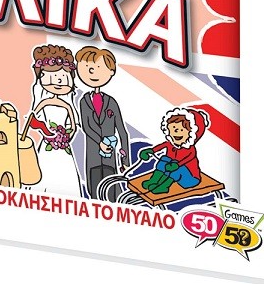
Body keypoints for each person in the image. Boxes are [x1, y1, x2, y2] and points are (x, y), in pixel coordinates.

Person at [27, 45, 81, 196]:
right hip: (47, 144)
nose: (58, 82)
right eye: (51, 77)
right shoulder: (44, 102)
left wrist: (67, 136)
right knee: (44, 168)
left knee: (65, 171)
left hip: (63, 146)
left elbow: (73, 125)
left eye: (64, 77)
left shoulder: (67, 105)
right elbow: (32, 119)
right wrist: (45, 132)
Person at [76, 47, 129, 198]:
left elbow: (122, 130)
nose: (92, 72)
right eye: (87, 68)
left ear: (111, 72)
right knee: (94, 189)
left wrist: (125, 159)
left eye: (99, 67)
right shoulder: (84, 101)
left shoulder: (111, 102)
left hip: (110, 157)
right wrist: (100, 143)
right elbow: (86, 126)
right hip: (92, 153)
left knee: (111, 188)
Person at [139, 108, 211, 194]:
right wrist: (150, 151)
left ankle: (164, 186)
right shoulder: (170, 144)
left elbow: (187, 160)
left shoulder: (190, 149)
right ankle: (153, 181)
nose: (176, 133)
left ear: (192, 133)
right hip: (174, 171)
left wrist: (177, 165)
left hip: (190, 179)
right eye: (173, 129)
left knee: (176, 169)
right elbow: (160, 147)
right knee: (164, 159)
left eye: (181, 130)